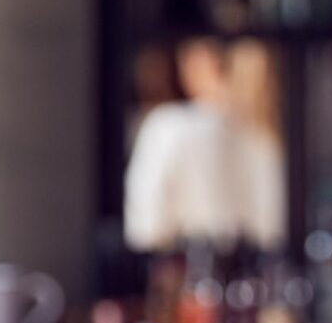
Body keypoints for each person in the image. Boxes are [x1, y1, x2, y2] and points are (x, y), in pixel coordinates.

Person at [122, 37, 285, 253]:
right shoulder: (267, 138)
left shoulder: (166, 127)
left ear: (198, 61)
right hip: (257, 281)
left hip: (190, 279)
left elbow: (144, 229)